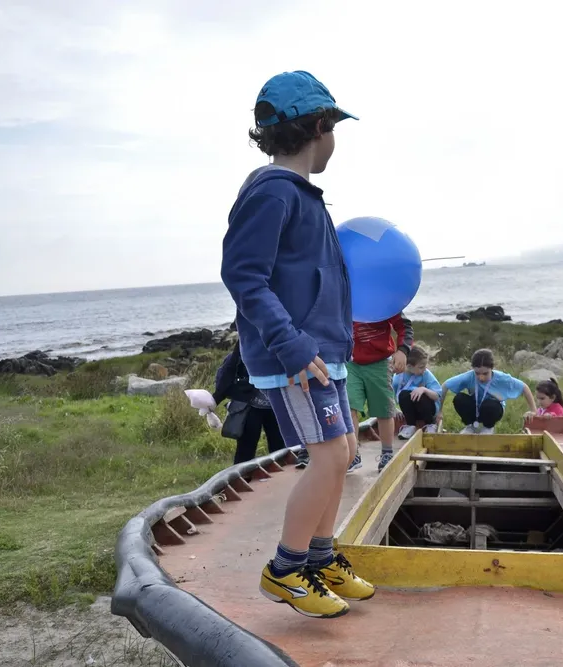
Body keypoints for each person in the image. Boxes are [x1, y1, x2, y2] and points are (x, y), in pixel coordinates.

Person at [221, 70, 374, 619]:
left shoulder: (306, 197)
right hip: (294, 359)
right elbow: (244, 275)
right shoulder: (271, 193)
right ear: (319, 127)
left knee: (346, 454)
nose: (335, 141)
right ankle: (285, 570)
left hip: (321, 354)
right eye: (334, 128)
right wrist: (289, 343)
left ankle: (321, 557)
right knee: (330, 456)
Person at [348, 312, 414, 472]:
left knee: (383, 408)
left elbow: (404, 326)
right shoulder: (344, 294)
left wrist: (403, 350)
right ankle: (352, 454)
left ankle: (387, 452)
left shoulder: (383, 298)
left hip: (379, 362)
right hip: (350, 361)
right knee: (349, 406)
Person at [212, 343, 286, 467]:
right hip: (250, 405)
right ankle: (240, 484)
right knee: (245, 451)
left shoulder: (281, 335)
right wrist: (215, 399)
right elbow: (230, 368)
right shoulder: (246, 337)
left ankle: (284, 482)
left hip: (277, 405)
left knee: (280, 450)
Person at [437, 348, 537, 434]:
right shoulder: (469, 376)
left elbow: (524, 387)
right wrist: (439, 411)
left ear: (492, 368)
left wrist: (533, 410)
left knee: (490, 405)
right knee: (459, 399)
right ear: (473, 369)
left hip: (492, 410)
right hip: (475, 408)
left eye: (485, 373)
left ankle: (488, 427)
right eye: (477, 373)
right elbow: (445, 385)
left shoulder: (502, 378)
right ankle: (471, 426)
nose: (481, 377)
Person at [392, 345, 442, 440]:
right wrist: (395, 409)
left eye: (424, 367)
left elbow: (437, 396)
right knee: (404, 394)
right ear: (409, 366)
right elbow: (389, 394)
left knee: (421, 395)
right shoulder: (397, 377)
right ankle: (410, 426)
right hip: (411, 411)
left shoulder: (426, 374)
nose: (424, 370)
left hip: (428, 410)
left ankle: (430, 425)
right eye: (421, 367)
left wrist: (424, 389)